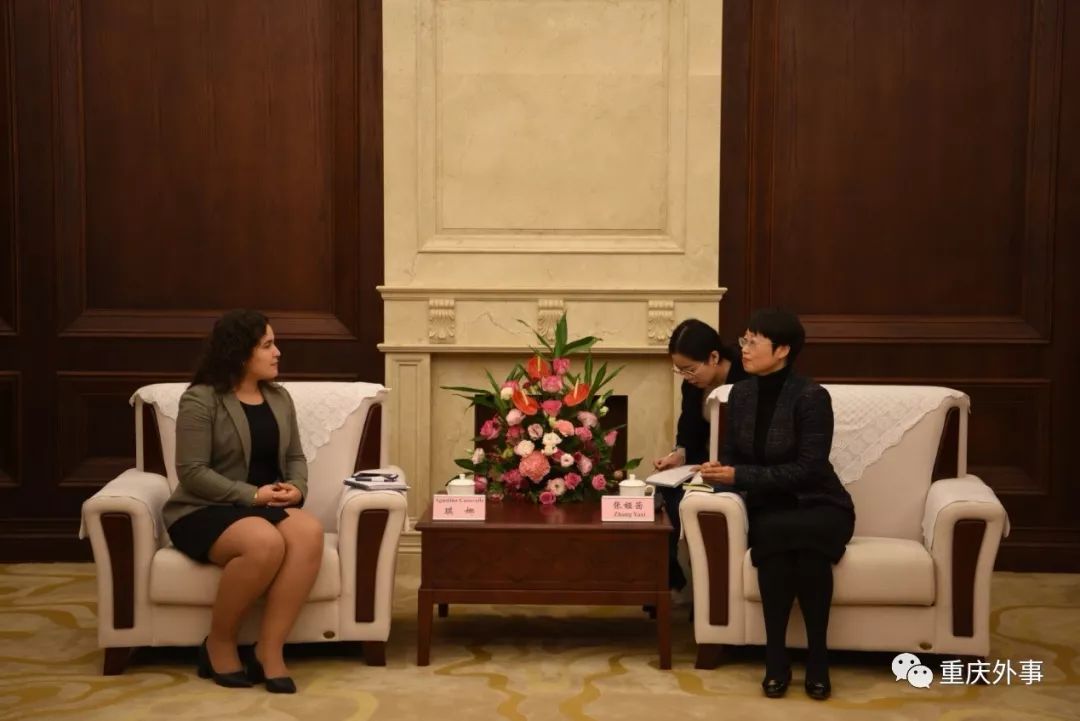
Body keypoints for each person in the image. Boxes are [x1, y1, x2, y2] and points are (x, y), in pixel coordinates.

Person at [162, 309, 324, 694]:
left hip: (261, 506)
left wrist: (297, 488)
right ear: (240, 352)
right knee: (264, 542)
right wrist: (251, 494)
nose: (277, 352)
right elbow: (192, 472)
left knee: (310, 532)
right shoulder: (201, 399)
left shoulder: (279, 398)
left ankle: (269, 650)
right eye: (267, 345)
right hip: (203, 509)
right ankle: (219, 642)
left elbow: (295, 457)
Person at [699, 308, 854, 701]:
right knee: (776, 539)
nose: (744, 348)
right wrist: (720, 471)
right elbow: (733, 457)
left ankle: (817, 659)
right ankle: (776, 658)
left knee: (803, 546)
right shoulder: (740, 394)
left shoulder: (811, 397)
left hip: (820, 503)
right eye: (744, 340)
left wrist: (739, 475)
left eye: (754, 341)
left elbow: (808, 469)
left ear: (782, 350)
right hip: (770, 506)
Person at [653, 319, 748, 595]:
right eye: (679, 370)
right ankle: (667, 580)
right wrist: (678, 454)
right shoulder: (693, 386)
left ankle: (705, 587)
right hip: (702, 463)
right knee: (661, 491)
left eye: (690, 369)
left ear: (714, 357)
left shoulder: (745, 381)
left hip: (734, 467)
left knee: (681, 498)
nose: (686, 376)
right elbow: (688, 426)